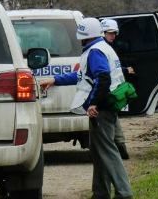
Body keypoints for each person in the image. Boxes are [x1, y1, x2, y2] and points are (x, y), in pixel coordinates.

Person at [39, 17, 132, 199]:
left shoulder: (95, 52)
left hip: (102, 108)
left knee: (107, 151)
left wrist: (94, 103)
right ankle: (100, 193)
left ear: (84, 35)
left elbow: (103, 78)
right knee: (99, 152)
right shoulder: (101, 48)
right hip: (110, 104)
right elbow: (82, 76)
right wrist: (56, 80)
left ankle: (124, 193)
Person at [101, 18, 132, 160]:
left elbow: (113, 69)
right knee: (112, 120)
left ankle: (120, 147)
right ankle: (119, 147)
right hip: (109, 91)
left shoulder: (108, 47)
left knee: (113, 118)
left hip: (114, 91)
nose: (113, 36)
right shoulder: (102, 49)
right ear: (103, 33)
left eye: (114, 33)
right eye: (110, 33)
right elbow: (106, 71)